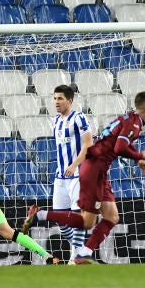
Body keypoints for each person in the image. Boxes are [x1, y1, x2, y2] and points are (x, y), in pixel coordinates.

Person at [23, 91, 145, 264]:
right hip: (89, 171)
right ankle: (41, 216)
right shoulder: (134, 123)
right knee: (84, 222)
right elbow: (119, 147)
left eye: (60, 98)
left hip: (90, 172)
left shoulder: (122, 118)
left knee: (110, 217)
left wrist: (137, 159)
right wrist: (140, 155)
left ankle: (81, 254)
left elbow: (102, 144)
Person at [47, 83, 92, 258]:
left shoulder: (79, 118)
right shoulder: (57, 120)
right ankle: (81, 251)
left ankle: (75, 258)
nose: (56, 102)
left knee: (77, 217)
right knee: (60, 219)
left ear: (69, 101)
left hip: (78, 175)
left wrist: (74, 165)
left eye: (60, 99)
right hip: (60, 177)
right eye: (54, 98)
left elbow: (89, 145)